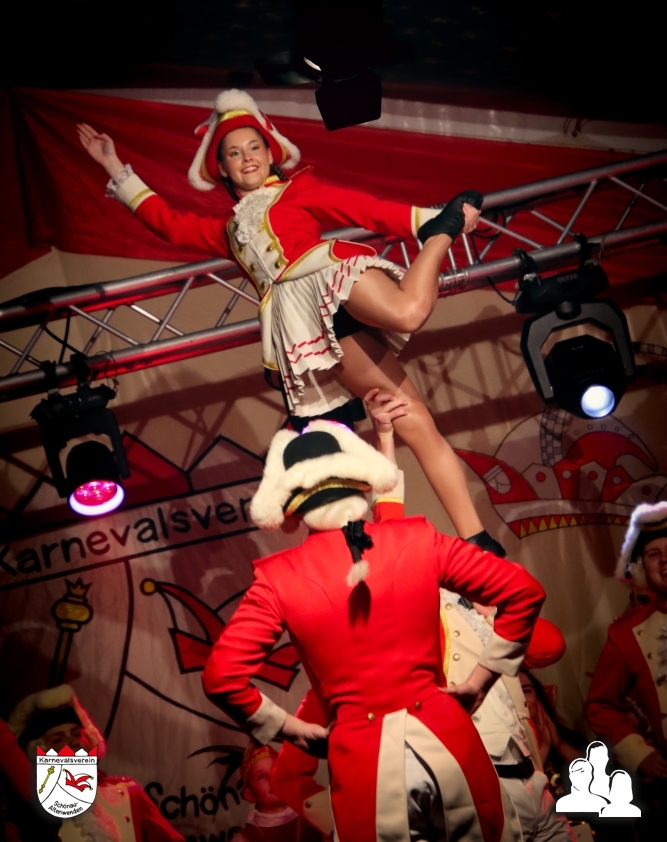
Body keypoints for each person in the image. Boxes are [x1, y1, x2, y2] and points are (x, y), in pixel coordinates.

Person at [76, 91, 500, 548]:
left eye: (254, 147)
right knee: (410, 418)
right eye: (234, 153)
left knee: (408, 311)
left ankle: (439, 232)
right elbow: (167, 222)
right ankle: (477, 537)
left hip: (328, 275)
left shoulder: (298, 189)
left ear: (270, 152)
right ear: (222, 169)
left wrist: (422, 219)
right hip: (302, 322)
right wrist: (112, 165)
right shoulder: (226, 230)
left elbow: (362, 207)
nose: (247, 158)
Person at [201, 412, 545, 841]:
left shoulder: (279, 578)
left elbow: (221, 677)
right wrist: (481, 680)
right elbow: (523, 591)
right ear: (359, 483)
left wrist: (289, 729)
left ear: (294, 505)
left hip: (363, 764)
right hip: (450, 740)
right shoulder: (418, 539)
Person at [7, 684, 185, 842]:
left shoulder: (128, 793)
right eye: (58, 739)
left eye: (76, 734)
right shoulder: (29, 814)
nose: (73, 742)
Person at [586, 500, 667, 834]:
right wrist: (640, 754)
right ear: (643, 568)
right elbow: (600, 707)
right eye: (654, 554)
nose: (665, 561)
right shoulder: (626, 633)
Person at [234, 742, 323, 842]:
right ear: (250, 795)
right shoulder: (245, 839)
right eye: (261, 776)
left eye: (274, 771)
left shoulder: (315, 820)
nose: (271, 779)